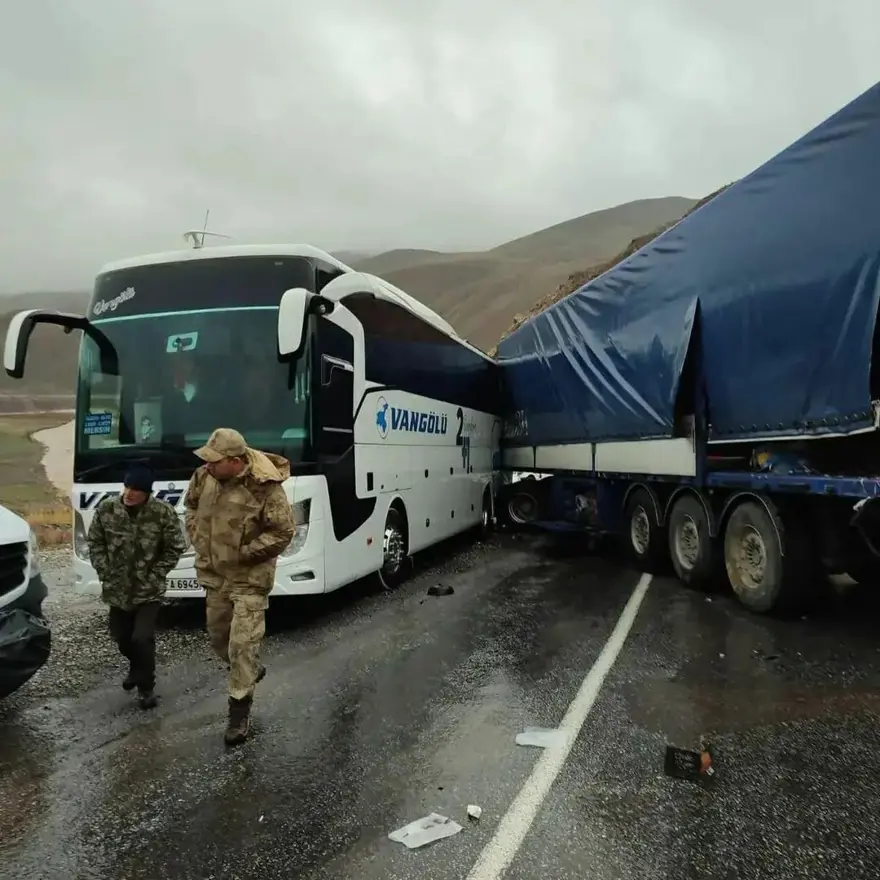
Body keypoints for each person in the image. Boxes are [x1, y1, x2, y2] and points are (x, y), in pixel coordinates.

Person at [184, 427, 295, 746]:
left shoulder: (264, 486)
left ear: (235, 462)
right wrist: (198, 537)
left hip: (249, 579)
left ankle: (238, 710)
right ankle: (250, 670)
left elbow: (283, 532)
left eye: (215, 461)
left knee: (241, 645)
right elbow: (190, 506)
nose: (208, 465)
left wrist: (243, 553)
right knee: (219, 639)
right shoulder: (203, 477)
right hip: (215, 575)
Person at [87, 464, 186, 709]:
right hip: (117, 588)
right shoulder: (107, 509)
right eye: (127, 487)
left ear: (147, 493)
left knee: (142, 638)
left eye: (136, 490)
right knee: (122, 638)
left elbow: (175, 547)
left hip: (147, 590)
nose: (129, 493)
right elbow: (96, 541)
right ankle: (136, 667)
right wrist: (104, 571)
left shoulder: (162, 512)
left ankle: (146, 688)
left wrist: (156, 574)